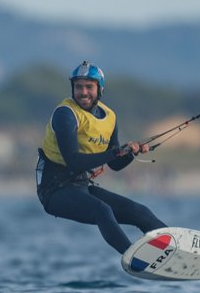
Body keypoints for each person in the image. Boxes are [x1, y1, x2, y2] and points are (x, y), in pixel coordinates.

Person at [36, 61, 168, 254]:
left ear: (100, 89)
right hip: (54, 190)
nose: (83, 92)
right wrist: (115, 152)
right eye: (78, 87)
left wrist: (130, 153)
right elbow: (74, 162)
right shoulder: (66, 114)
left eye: (89, 87)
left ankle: (174, 250)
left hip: (81, 186)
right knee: (102, 211)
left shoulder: (109, 117)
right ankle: (134, 258)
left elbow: (114, 164)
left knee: (140, 212)